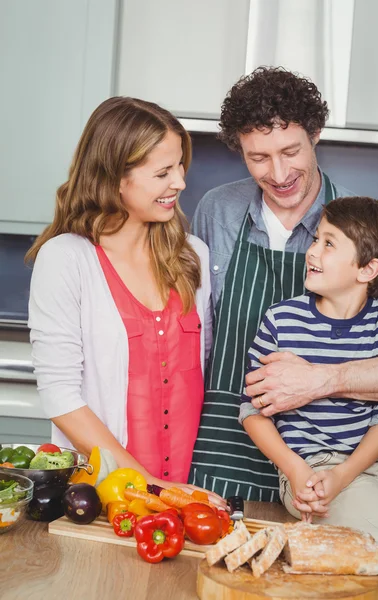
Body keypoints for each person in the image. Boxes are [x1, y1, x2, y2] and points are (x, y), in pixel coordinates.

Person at [189, 66, 378, 501]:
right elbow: (200, 334)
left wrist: (321, 380)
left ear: (316, 135)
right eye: (259, 157)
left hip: (332, 469)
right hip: (221, 451)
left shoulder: (363, 228)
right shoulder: (216, 212)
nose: (279, 172)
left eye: (291, 151)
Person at [26, 96, 222, 504]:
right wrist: (148, 483)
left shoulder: (193, 256)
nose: (180, 182)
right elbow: (61, 398)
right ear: (115, 177)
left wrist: (174, 491)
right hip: (101, 494)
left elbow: (201, 374)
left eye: (180, 166)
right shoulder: (66, 259)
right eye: (163, 172)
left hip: (188, 492)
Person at [240, 196, 378, 597]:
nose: (311, 251)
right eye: (316, 239)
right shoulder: (282, 320)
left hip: (375, 470)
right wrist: (295, 471)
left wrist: (348, 473)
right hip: (313, 472)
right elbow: (252, 411)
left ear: (368, 269)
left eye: (329, 243)